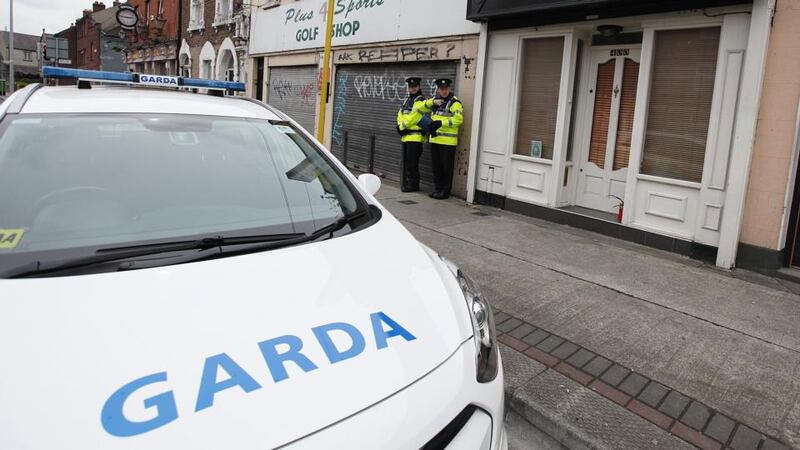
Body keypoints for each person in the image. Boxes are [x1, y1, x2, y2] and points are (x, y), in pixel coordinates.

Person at [418, 78, 463, 199]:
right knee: (436, 168)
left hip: (447, 143)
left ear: (449, 88)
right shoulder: (436, 102)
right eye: (441, 89)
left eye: (446, 89)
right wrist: (432, 102)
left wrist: (441, 124)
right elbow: (419, 108)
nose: (443, 91)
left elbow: (458, 119)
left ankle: (445, 192)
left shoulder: (454, 103)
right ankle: (437, 189)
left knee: (446, 169)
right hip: (435, 140)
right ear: (438, 89)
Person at [396, 77, 427, 192]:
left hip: (416, 137)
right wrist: (399, 125)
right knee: (408, 162)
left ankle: (413, 185)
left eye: (414, 87)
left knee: (413, 163)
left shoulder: (420, 100)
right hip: (406, 137)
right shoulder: (407, 100)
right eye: (410, 87)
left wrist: (402, 126)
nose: (412, 89)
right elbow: (400, 113)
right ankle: (409, 182)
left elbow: (414, 117)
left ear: (419, 87)